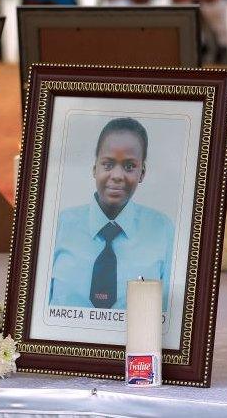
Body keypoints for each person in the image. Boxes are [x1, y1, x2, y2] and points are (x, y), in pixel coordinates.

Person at [49, 117, 175, 310]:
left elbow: (169, 313)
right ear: (94, 168)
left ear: (142, 173)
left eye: (129, 166)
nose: (117, 175)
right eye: (107, 164)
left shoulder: (163, 230)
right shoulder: (58, 226)